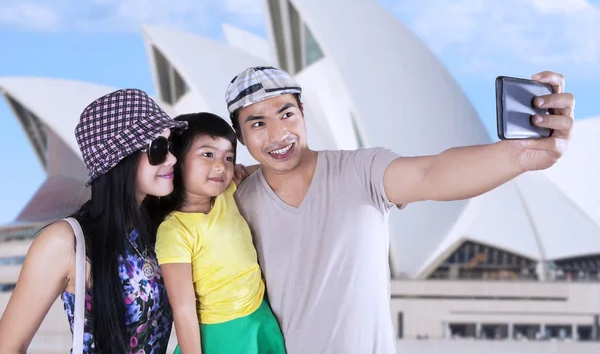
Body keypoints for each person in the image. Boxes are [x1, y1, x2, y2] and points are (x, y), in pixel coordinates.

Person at [226, 66, 575, 354]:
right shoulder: (237, 202)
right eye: (257, 123)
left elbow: (431, 173)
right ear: (240, 137)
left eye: (286, 114)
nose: (277, 134)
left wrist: (519, 155)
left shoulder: (362, 170)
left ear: (303, 113)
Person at [0, 89, 188, 353]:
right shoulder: (65, 242)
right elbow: (8, 345)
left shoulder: (157, 229)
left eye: (170, 146)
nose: (172, 158)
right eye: (158, 148)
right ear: (119, 159)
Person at [154, 112, 285, 354]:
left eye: (228, 157)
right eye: (207, 154)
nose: (219, 165)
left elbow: (274, 169)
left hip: (259, 319)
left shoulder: (227, 195)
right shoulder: (174, 230)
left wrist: (238, 169)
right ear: (177, 160)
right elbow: (183, 310)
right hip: (218, 336)